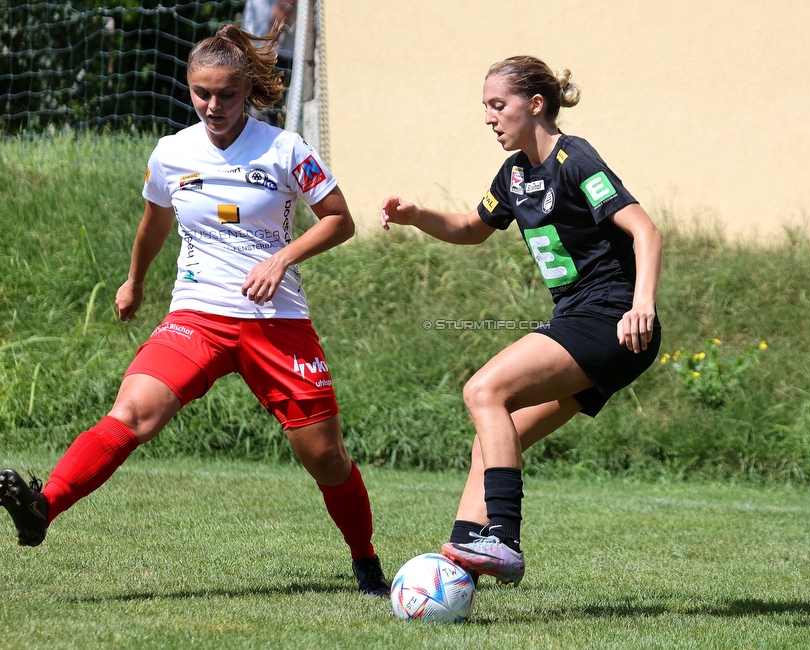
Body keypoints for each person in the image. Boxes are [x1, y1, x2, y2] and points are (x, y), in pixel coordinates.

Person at [0, 22, 390, 597]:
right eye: (201, 93)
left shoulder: (285, 148)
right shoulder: (170, 153)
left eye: (226, 94)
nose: (213, 105)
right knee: (132, 414)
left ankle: (365, 561)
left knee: (325, 457)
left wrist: (280, 260)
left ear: (247, 89)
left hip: (276, 322)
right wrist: (134, 283)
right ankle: (42, 507)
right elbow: (154, 223)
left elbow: (339, 219)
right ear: (188, 87)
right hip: (197, 315)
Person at [380, 55, 663, 588]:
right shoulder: (514, 173)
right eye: (485, 107)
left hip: (610, 320)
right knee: (491, 438)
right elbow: (470, 226)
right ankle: (461, 561)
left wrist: (640, 304)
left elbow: (646, 231)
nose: (488, 117)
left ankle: (503, 537)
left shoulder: (575, 159)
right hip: (587, 321)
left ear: (535, 105)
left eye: (497, 105)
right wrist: (417, 216)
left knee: (483, 391)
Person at [242, 0, 295, 126]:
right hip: (258, 51)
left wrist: (268, 46)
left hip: (276, 54)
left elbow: (285, 4)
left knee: (266, 120)